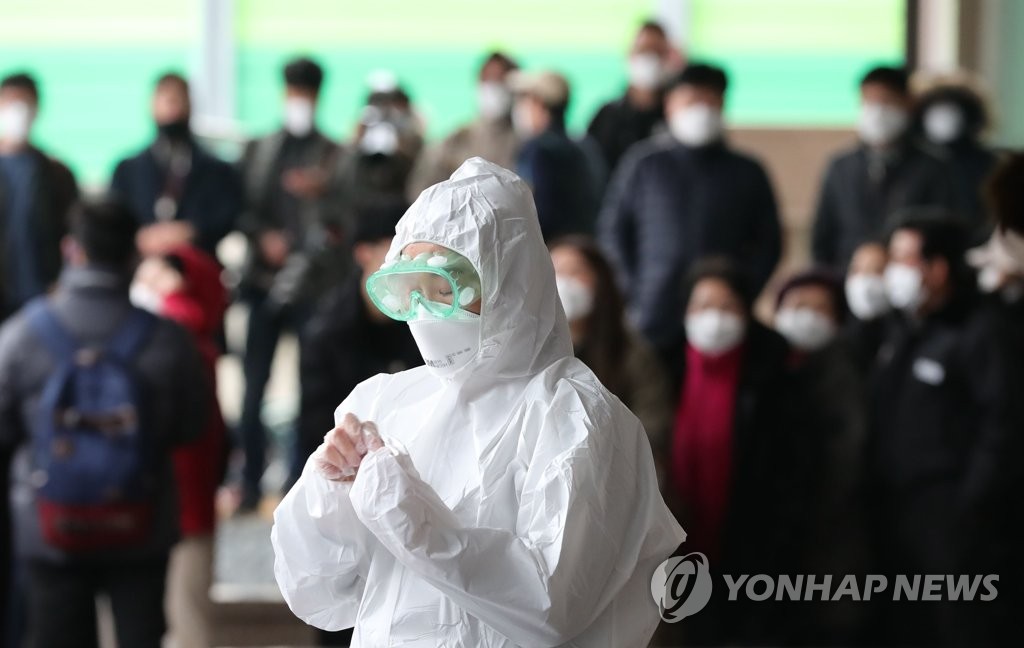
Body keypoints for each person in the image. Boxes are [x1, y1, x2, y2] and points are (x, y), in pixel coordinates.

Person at [271, 158, 684, 646]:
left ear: (509, 280)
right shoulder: (387, 401)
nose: (425, 313)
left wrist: (416, 523)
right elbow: (319, 595)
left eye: (445, 288)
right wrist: (329, 500)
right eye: (412, 291)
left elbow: (552, 605)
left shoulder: (574, 413)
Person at [0, 199, 206, 648]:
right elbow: (192, 426)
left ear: (71, 250)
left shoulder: (22, 335)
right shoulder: (167, 339)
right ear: (133, 255)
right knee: (140, 636)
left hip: (49, 526)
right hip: (141, 522)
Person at [866, 213, 1021, 646]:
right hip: (895, 509)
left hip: (951, 515)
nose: (892, 271)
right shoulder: (901, 330)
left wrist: (970, 503)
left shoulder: (980, 331)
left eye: (904, 258)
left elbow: (1002, 426)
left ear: (937, 268)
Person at [599, 63, 781, 361]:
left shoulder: (748, 171)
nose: (701, 110)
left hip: (722, 321)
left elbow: (769, 242)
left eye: (710, 101)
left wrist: (740, 295)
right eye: (692, 100)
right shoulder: (644, 164)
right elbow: (613, 232)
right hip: (654, 314)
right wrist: (633, 291)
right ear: (670, 105)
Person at [657, 257, 796, 646]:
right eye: (703, 305)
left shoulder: (773, 375)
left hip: (750, 548)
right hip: (673, 545)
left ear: (747, 312)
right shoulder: (663, 367)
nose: (714, 318)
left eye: (727, 306)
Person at [236, 56, 348, 511]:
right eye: (294, 91)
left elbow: (343, 220)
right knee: (252, 387)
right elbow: (242, 208)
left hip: (314, 288)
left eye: (306, 93)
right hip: (262, 282)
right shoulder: (260, 149)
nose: (299, 100)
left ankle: (300, 481)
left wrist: (322, 196)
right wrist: (263, 238)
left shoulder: (334, 155)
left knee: (312, 388)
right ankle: (248, 481)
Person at [130, 244, 227, 648]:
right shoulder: (190, 332)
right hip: (187, 493)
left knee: (181, 612)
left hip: (164, 491)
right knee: (187, 608)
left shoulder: (169, 326)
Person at [773, 269, 869, 645]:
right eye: (797, 304)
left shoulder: (845, 372)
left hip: (831, 530)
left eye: (819, 308)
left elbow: (849, 451)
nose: (805, 315)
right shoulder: (770, 368)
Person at [811, 66, 959, 270]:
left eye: (886, 101)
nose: (877, 112)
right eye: (868, 102)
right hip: (846, 276)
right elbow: (822, 239)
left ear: (907, 103)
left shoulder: (934, 167)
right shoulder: (841, 167)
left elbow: (946, 235)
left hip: (909, 278)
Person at [548, 235, 672, 464]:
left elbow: (653, 423)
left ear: (600, 281)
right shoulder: (532, 350)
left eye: (575, 272)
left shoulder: (630, 353)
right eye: (555, 273)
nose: (564, 282)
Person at [110, 73, 242, 256]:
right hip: (139, 262)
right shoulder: (127, 171)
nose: (172, 106)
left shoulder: (218, 172)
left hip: (197, 262)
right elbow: (113, 221)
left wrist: (191, 231)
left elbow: (228, 217)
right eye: (165, 99)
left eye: (178, 99)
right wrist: (141, 237)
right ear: (152, 106)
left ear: (190, 105)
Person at [0, 72, 78, 319]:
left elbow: (74, 234)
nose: (17, 111)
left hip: (43, 296)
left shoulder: (58, 174)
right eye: (10, 102)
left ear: (37, 109)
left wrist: (65, 281)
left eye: (24, 103)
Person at [406, 52, 519, 198]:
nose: (492, 87)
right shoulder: (456, 139)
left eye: (499, 80)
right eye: (486, 79)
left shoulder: (525, 143)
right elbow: (421, 190)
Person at [508, 69, 602, 240]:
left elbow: (533, 213)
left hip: (550, 248)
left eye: (525, 100)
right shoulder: (586, 147)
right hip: (583, 246)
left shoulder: (537, 150)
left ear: (540, 104)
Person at [586, 21, 677, 175]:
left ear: (669, 57)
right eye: (643, 50)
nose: (650, 58)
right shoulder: (607, 116)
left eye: (657, 52)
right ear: (630, 55)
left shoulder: (677, 118)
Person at [912, 75, 998, 232]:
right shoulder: (914, 163)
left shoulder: (989, 164)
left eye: (951, 108)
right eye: (936, 107)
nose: (943, 117)